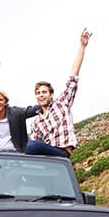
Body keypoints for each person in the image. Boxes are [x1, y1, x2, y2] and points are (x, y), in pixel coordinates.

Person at [25, 28, 92, 157]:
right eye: (38, 93)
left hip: (61, 152)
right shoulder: (36, 122)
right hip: (47, 157)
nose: (41, 95)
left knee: (31, 146)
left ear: (51, 94)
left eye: (44, 92)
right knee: (29, 147)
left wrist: (82, 46)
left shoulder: (62, 103)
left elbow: (73, 76)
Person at [0, 88, 41, 152]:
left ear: (5, 102)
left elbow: (33, 110)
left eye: (0, 100)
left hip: (14, 153)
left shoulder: (15, 113)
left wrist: (46, 102)